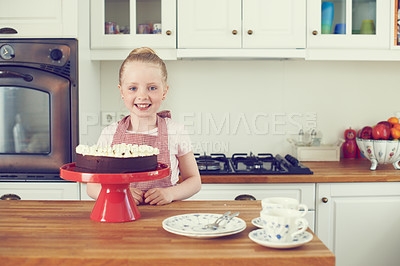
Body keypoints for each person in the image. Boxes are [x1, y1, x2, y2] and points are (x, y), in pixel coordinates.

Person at [87, 47, 201, 205]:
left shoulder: (176, 131)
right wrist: (120, 194)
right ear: (122, 92)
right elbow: (92, 186)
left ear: (164, 91)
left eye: (152, 88)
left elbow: (194, 180)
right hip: (121, 216)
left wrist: (170, 193)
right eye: (133, 88)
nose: (142, 96)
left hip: (166, 217)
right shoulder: (110, 134)